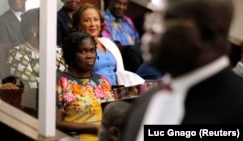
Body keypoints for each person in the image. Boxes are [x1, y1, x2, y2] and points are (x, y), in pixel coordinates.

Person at [120, 0, 243, 141]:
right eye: (151, 17)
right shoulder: (147, 99)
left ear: (205, 36)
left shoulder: (237, 108)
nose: (149, 28)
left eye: (162, 19)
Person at [56, 31, 114, 141]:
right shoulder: (60, 82)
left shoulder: (102, 81)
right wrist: (92, 128)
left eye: (92, 51)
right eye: (83, 51)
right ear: (71, 54)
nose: (89, 56)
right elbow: (55, 123)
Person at [72, 3, 144, 87]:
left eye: (96, 19)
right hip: (95, 94)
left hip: (118, 91)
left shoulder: (107, 42)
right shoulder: (76, 46)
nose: (93, 24)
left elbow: (120, 72)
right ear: (78, 24)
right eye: (87, 20)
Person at [7, 8, 66, 88]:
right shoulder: (19, 53)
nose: (52, 29)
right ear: (34, 29)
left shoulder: (56, 50)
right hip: (35, 98)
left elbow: (68, 78)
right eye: (47, 25)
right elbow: (30, 84)